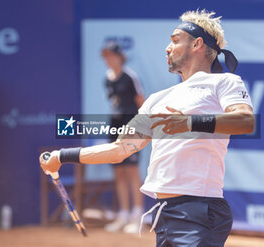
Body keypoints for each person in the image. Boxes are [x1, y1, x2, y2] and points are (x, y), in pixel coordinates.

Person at [40, 9, 254, 246]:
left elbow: (245, 121)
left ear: (197, 44)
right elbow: (120, 149)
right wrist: (62, 156)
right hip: (165, 215)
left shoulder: (224, 82)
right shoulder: (157, 99)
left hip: (201, 211)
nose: (167, 48)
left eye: (175, 41)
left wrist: (190, 122)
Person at [100, 41, 145, 233]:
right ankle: (124, 214)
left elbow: (141, 102)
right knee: (118, 170)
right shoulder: (107, 79)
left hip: (132, 127)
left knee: (132, 170)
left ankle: (137, 215)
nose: (109, 59)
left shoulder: (130, 77)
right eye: (106, 56)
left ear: (120, 56)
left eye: (112, 55)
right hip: (114, 127)